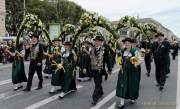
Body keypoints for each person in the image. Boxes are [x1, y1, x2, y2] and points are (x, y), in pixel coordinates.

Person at [116, 38, 141, 109]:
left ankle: (132, 97)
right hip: (123, 72)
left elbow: (139, 59)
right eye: (126, 43)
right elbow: (118, 59)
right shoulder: (122, 51)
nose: (127, 44)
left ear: (131, 44)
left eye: (128, 43)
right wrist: (120, 65)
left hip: (132, 72)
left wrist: (136, 64)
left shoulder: (134, 51)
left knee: (132, 85)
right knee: (122, 86)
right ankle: (122, 103)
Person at [90, 33, 105, 105]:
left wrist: (110, 69)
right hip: (93, 69)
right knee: (97, 83)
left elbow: (107, 59)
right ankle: (101, 92)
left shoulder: (104, 50)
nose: (97, 42)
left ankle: (94, 98)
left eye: (98, 41)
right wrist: (84, 68)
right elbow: (88, 59)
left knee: (97, 84)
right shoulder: (91, 49)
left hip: (100, 70)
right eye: (96, 41)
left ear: (101, 42)